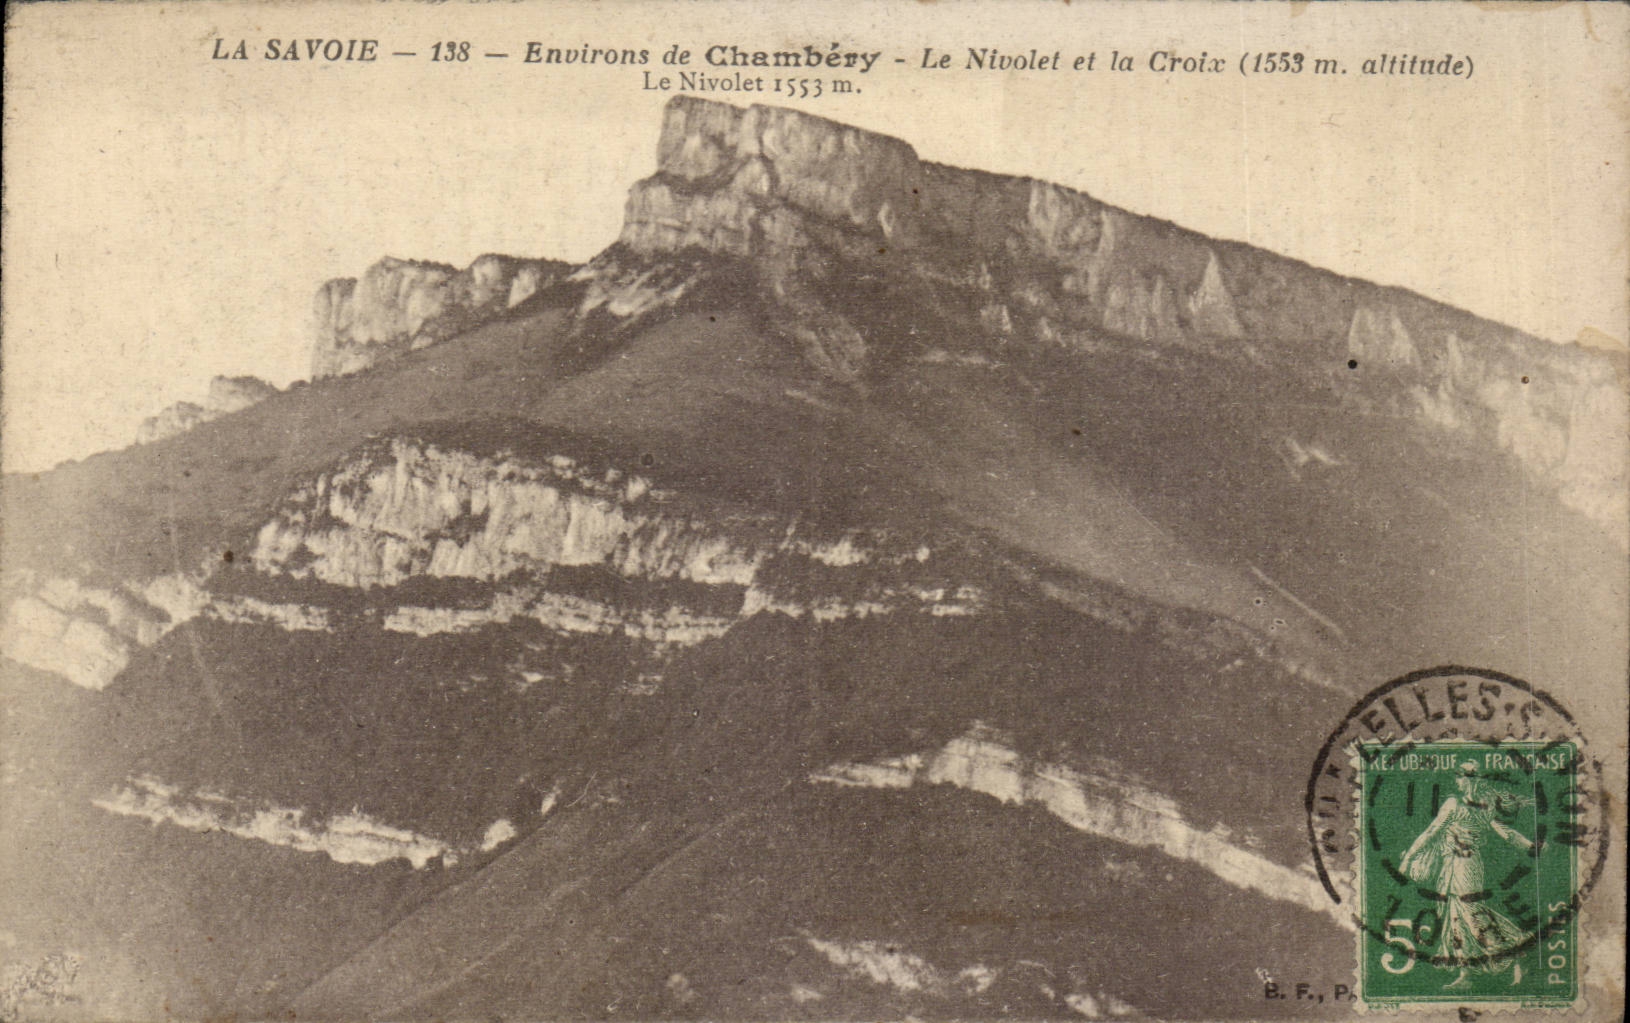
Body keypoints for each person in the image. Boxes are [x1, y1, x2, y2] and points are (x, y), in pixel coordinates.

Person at [1398, 761, 1535, 989]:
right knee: (1454, 918)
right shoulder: (1485, 805)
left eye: (1460, 777)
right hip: (1456, 865)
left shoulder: (1454, 804)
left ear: (1470, 779)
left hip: (1464, 865)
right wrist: (1528, 845)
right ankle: (1466, 975)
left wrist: (1407, 858)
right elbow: (1504, 831)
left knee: (1472, 916)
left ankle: (1517, 953)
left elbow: (1431, 832)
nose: (1457, 781)